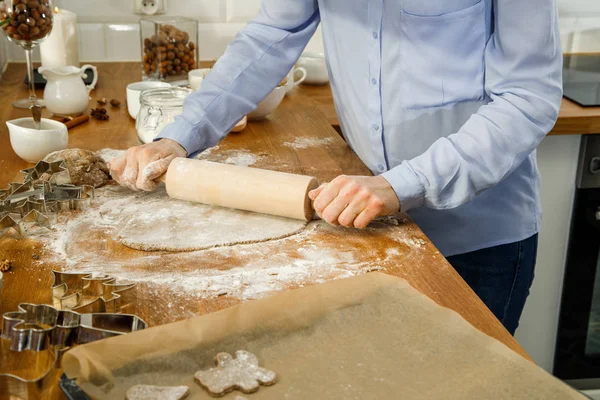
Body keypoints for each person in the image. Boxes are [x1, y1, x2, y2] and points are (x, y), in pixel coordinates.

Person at [109, 0, 563, 335]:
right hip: (368, 230)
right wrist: (180, 136)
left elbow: (528, 98)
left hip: (477, 240)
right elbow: (269, 39)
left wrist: (403, 183)